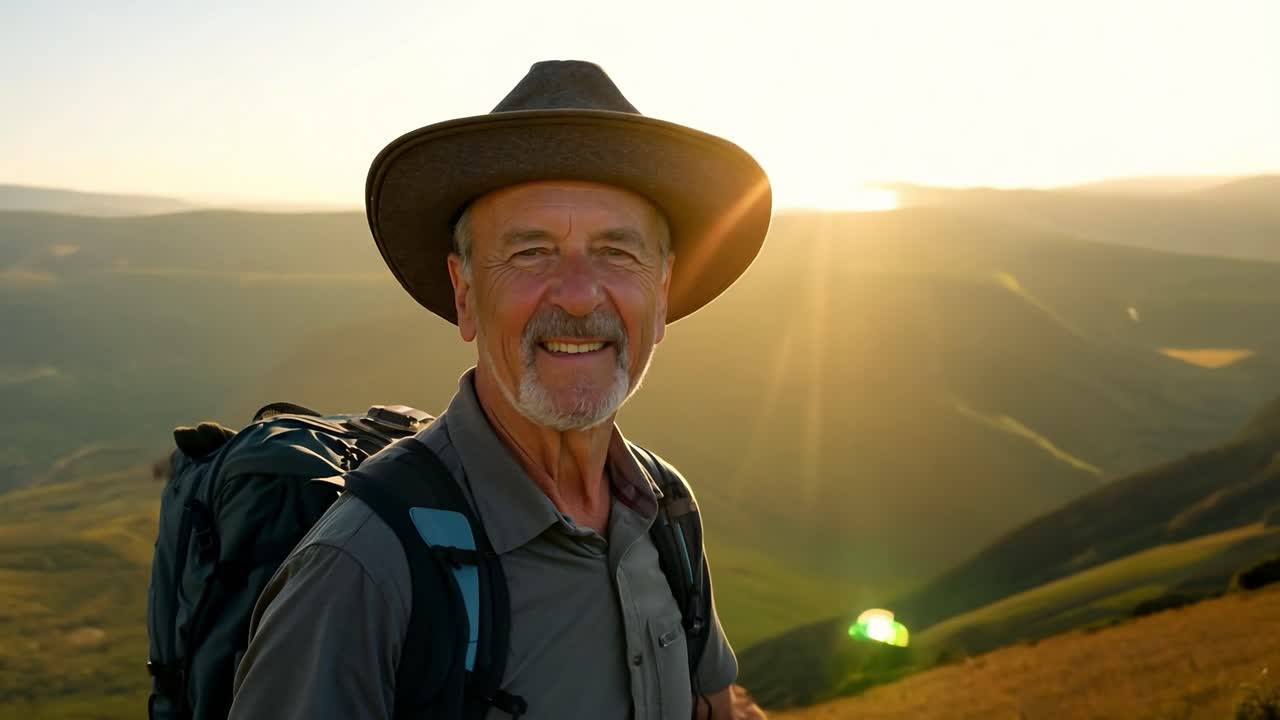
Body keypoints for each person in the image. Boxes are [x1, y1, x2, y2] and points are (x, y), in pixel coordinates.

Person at [228, 59, 772, 720]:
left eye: (617, 253)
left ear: (660, 297)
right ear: (465, 294)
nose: (577, 296)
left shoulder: (665, 512)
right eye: (530, 252)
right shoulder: (364, 569)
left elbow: (713, 705)